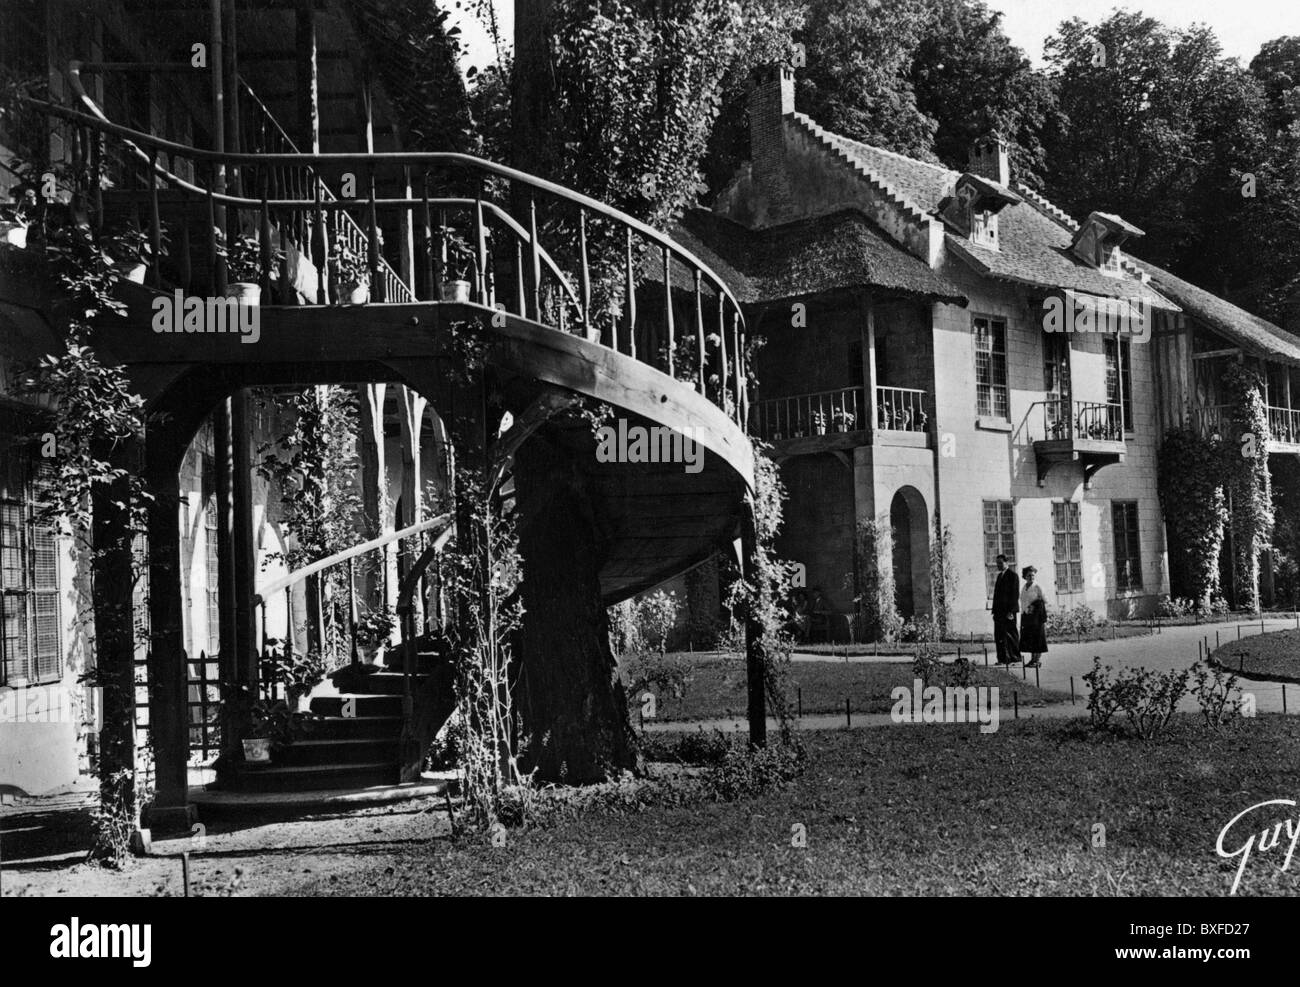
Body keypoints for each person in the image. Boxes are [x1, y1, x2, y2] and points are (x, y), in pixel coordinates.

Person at [992, 554, 1020, 664]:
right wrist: (994, 611)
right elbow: (996, 595)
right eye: (997, 563)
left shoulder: (1013, 576)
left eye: (1000, 563)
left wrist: (1011, 611)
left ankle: (1015, 658)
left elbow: (1014, 594)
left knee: (1011, 635)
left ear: (1006, 563)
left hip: (1009, 612)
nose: (998, 565)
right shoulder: (999, 576)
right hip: (999, 612)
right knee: (999, 635)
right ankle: (1002, 658)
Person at [1019, 566, 1049, 668]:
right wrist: (1025, 611)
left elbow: (1045, 600)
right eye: (1029, 575)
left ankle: (1037, 661)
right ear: (1024, 577)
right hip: (1027, 616)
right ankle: (1032, 660)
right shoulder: (1024, 587)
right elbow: (1023, 601)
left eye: (1032, 575)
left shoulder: (1037, 586)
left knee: (1038, 638)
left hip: (1037, 616)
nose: (1031, 577)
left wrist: (1035, 605)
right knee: (1030, 638)